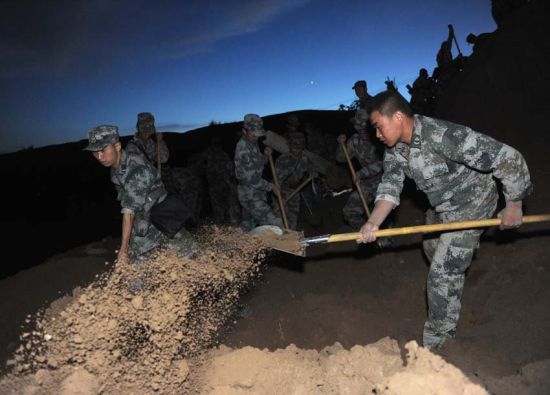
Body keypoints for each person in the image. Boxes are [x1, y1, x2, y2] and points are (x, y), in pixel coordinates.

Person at [359, 91, 532, 350]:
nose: (377, 135)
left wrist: (514, 204)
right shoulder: (394, 150)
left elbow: (507, 157)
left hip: (473, 203)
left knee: (441, 273)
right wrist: (373, 222)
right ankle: (458, 265)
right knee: (430, 246)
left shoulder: (442, 136)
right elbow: (390, 188)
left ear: (397, 117)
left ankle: (439, 345)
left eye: (378, 127)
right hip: (443, 208)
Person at [84, 125, 196, 264]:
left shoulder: (135, 168)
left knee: (191, 255)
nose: (100, 157)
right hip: (143, 213)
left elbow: (128, 213)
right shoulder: (115, 168)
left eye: (103, 150)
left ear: (117, 146)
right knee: (136, 262)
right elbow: (125, 199)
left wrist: (123, 249)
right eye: (95, 152)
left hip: (161, 212)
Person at [336, 109, 383, 231]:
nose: (361, 129)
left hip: (384, 181)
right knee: (349, 212)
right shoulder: (355, 141)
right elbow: (340, 158)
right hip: (366, 183)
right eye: (358, 125)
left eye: (364, 125)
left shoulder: (381, 136)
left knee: (383, 211)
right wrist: (342, 145)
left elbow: (384, 163)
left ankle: (385, 238)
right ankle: (364, 233)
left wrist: (361, 173)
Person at [234, 114, 283, 231]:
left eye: (258, 134)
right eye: (253, 134)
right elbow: (253, 180)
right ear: (244, 131)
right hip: (249, 195)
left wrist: (266, 155)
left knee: (249, 224)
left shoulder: (252, 142)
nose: (256, 137)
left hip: (256, 193)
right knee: (275, 223)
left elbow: (259, 163)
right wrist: (272, 187)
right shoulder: (243, 150)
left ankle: (235, 244)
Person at [275, 132, 316, 230]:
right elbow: (276, 181)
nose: (297, 151)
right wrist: (280, 197)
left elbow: (311, 168)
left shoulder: (304, 158)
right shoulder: (282, 160)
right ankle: (279, 240)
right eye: (294, 148)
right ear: (290, 146)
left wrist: (312, 173)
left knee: (293, 217)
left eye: (299, 149)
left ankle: (291, 238)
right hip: (281, 191)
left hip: (295, 190)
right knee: (280, 218)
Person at [203, 136, 241, 226]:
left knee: (223, 210)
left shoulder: (210, 154)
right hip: (220, 185)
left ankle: (226, 228)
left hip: (221, 185)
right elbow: (231, 169)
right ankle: (228, 228)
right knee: (225, 209)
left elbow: (231, 169)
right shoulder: (214, 154)